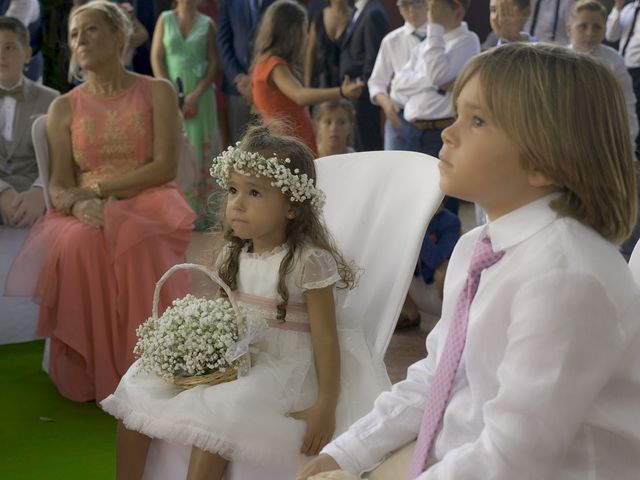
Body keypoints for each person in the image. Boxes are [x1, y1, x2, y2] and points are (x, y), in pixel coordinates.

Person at [298, 42, 640, 480]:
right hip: (457, 458)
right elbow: (436, 375)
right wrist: (347, 452)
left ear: (543, 161)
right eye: (456, 113)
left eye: (476, 120)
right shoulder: (477, 247)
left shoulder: (567, 278)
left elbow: (512, 459)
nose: (448, 132)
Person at [101, 124, 390, 480]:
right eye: (233, 190)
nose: (236, 204)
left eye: (254, 193)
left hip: (285, 371)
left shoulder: (307, 262)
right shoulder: (233, 256)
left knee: (219, 422)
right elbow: (223, 320)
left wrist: (325, 406)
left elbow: (326, 338)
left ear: (292, 208)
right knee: (138, 389)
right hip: (237, 363)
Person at [5, 0, 196, 403]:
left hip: (149, 199)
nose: (80, 40)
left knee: (137, 233)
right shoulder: (63, 107)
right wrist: (77, 206)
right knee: (80, 242)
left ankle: (151, 366)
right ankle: (97, 373)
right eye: (74, 34)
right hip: (84, 210)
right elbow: (58, 186)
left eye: (90, 29)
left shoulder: (157, 91)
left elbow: (164, 167)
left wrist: (94, 194)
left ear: (118, 33)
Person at [391, 0, 479, 214]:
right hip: (412, 130)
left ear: (457, 11)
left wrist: (435, 29)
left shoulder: (466, 40)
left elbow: (436, 74)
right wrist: (435, 85)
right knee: (413, 198)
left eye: (436, 8)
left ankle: (445, 247)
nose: (430, 14)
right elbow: (397, 86)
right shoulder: (426, 44)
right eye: (430, 8)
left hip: (440, 131)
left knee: (441, 202)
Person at [251, 0, 363, 155]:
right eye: (304, 30)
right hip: (288, 149)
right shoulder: (274, 64)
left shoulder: (271, 63)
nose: (307, 35)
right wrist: (342, 92)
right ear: (291, 32)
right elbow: (300, 95)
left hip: (293, 147)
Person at [151, 0, 221, 230]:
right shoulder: (165, 19)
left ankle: (202, 215)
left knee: (201, 150)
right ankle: (175, 213)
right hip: (171, 95)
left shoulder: (207, 23)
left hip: (201, 98)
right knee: (176, 148)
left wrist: (197, 92)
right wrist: (169, 91)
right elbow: (156, 57)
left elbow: (213, 62)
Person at [0, 15, 57, 228]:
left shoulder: (51, 99)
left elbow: (59, 156)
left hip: (34, 196)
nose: (1, 55)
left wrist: (40, 190)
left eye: (9, 47)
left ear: (27, 54)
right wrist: (2, 191)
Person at [567, 0, 639, 144]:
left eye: (597, 27)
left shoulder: (614, 60)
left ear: (605, 30)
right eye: (582, 26)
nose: (590, 33)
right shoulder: (558, 59)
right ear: (568, 29)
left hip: (604, 138)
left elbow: (627, 104)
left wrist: (628, 146)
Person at [368, 0, 428, 150]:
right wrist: (387, 105)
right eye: (405, 5)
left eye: (417, 4)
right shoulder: (391, 40)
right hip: (399, 117)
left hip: (433, 120)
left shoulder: (442, 37)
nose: (411, 10)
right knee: (397, 169)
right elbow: (376, 82)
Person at [217, 0, 277, 144]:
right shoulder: (230, 3)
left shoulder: (278, 2)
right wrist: (237, 76)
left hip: (269, 85)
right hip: (239, 87)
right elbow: (223, 41)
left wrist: (261, 77)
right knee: (240, 144)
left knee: (270, 143)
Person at [339, 0, 388, 151]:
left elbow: (373, 58)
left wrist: (363, 88)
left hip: (362, 95)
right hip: (353, 94)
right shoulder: (357, 9)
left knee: (366, 147)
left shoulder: (374, 12)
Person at [304, 0, 351, 89]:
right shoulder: (318, 17)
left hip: (347, 81)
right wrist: (307, 81)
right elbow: (310, 52)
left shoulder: (355, 18)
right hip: (320, 81)